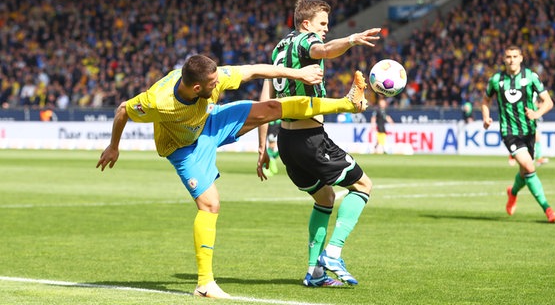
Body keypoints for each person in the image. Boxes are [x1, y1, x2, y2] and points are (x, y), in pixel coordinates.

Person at [96, 54, 368, 299]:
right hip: (183, 148)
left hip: (210, 122)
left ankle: (346, 103)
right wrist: (114, 145)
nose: (219, 86)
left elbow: (253, 71)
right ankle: (205, 285)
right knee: (210, 204)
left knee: (271, 109)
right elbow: (122, 110)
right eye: (213, 84)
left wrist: (297, 74)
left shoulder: (213, 80)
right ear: (196, 88)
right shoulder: (158, 101)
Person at [257, 0, 380, 287]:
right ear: (306, 23)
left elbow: (265, 98)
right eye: (322, 23)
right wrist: (351, 39)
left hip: (286, 142)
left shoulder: (279, 48)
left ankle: (314, 273)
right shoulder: (305, 41)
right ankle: (333, 253)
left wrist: (263, 147)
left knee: (324, 198)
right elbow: (321, 49)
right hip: (310, 139)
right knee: (363, 186)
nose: (325, 29)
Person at [481, 45, 555, 223]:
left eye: (515, 56)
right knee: (529, 167)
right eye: (508, 57)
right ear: (504, 59)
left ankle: (513, 192)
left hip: (529, 131)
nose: (512, 60)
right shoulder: (496, 80)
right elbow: (485, 100)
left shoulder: (531, 77)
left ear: (521, 58)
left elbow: (548, 102)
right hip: (509, 131)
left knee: (525, 172)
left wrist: (537, 114)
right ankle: (548, 209)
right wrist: (486, 117)